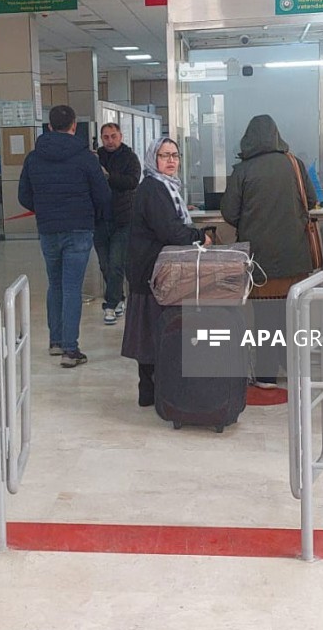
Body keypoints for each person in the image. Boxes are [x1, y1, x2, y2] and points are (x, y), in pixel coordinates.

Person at [221, 114, 318, 387]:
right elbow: (311, 200)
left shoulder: (243, 170)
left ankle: (266, 375)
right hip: (295, 258)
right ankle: (293, 368)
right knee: (291, 315)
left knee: (264, 318)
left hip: (259, 260)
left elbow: (229, 212)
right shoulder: (294, 164)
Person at [17, 105, 110, 368]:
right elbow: (103, 195)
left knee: (55, 284)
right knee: (71, 288)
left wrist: (44, 209)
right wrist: (92, 214)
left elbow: (23, 196)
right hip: (79, 228)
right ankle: (71, 349)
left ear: (49, 126)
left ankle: (56, 341)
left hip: (48, 229)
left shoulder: (34, 158)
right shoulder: (86, 158)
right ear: (74, 126)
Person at [122, 138, 208, 407]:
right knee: (152, 334)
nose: (171, 161)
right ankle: (153, 393)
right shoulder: (154, 188)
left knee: (153, 334)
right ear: (153, 158)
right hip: (151, 272)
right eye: (164, 155)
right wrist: (199, 237)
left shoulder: (165, 187)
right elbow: (170, 231)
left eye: (175, 155)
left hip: (155, 271)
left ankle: (153, 392)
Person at [94, 123, 140, 325]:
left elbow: (132, 182)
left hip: (123, 219)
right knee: (104, 265)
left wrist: (109, 177)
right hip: (99, 219)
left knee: (116, 263)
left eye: (113, 136)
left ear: (120, 136)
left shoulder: (130, 157)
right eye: (106, 137)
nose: (110, 141)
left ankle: (110, 305)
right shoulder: (95, 158)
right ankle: (119, 297)